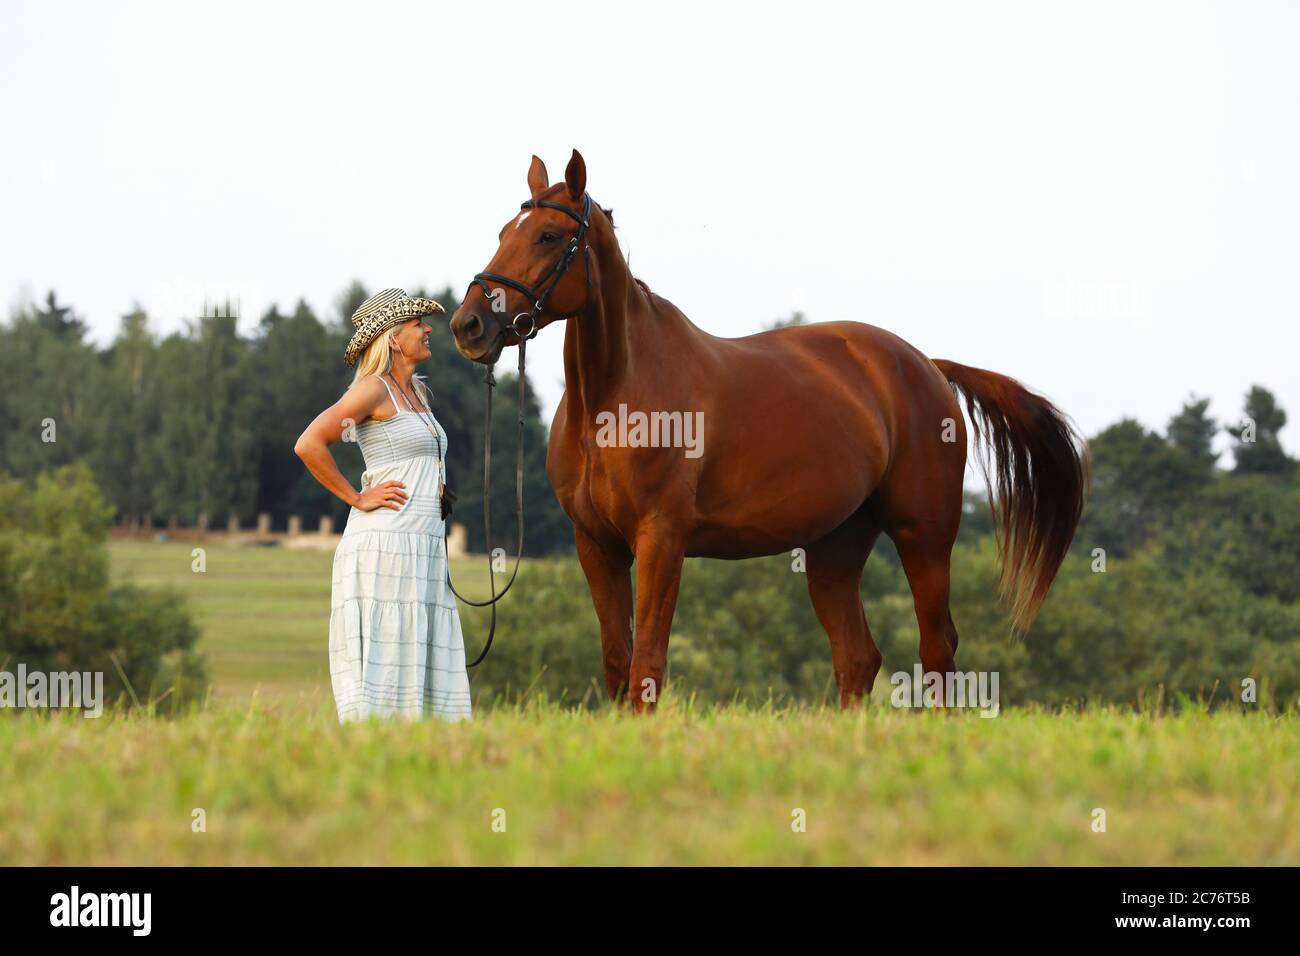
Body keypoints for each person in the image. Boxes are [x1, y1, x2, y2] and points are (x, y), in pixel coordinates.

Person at [294, 288, 471, 723]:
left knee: (420, 664)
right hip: (384, 546)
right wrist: (356, 497)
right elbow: (309, 443)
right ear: (393, 338)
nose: (428, 329)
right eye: (417, 324)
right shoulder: (372, 391)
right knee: (386, 659)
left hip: (423, 546)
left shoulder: (417, 395)